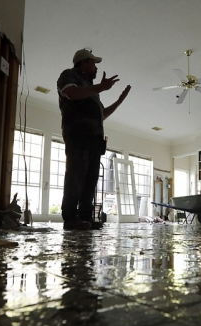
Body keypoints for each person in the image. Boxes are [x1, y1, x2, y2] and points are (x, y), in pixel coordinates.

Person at [57, 48, 131, 230]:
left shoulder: (92, 91)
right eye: (93, 64)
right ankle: (70, 218)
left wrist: (119, 101)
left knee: (90, 179)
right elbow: (71, 93)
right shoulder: (69, 75)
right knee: (76, 176)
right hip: (78, 136)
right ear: (83, 63)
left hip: (94, 141)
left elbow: (101, 115)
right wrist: (101, 87)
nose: (96, 68)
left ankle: (84, 217)